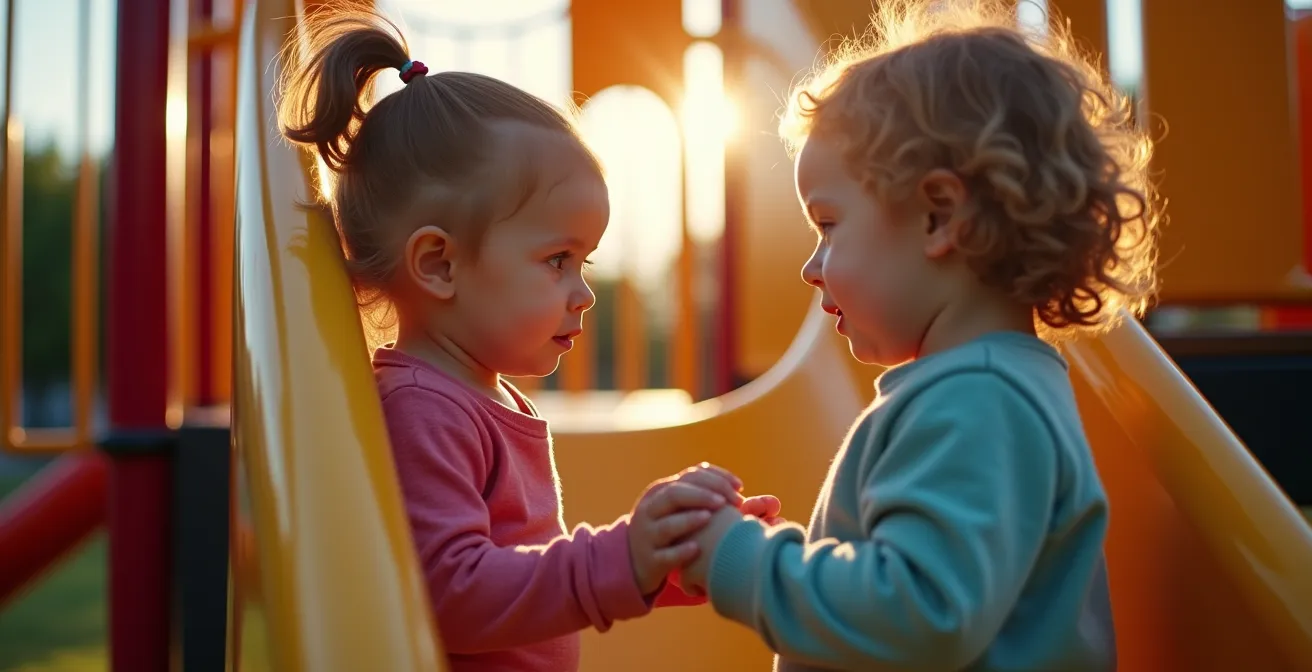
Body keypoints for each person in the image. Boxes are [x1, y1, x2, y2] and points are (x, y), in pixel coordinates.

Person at [275, 5, 781, 671]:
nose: (583, 291)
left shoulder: (480, 395)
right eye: (557, 260)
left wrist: (661, 563)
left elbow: (518, 571)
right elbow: (453, 594)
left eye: (585, 262)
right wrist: (622, 557)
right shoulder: (423, 410)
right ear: (439, 264)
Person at [679, 1, 1160, 670]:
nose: (811, 268)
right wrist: (793, 559)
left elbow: (919, 617)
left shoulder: (977, 401)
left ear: (938, 216)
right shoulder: (990, 386)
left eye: (828, 226)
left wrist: (741, 559)